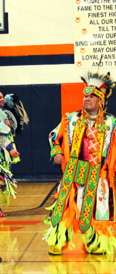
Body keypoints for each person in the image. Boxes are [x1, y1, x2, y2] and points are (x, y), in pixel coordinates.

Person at [45, 71, 116, 256]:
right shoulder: (71, 118)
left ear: (100, 100)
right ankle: (57, 241)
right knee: (63, 208)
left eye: (91, 96)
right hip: (73, 174)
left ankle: (95, 243)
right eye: (85, 95)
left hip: (97, 175)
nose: (87, 99)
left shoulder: (111, 122)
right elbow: (53, 136)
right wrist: (57, 151)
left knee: (95, 211)